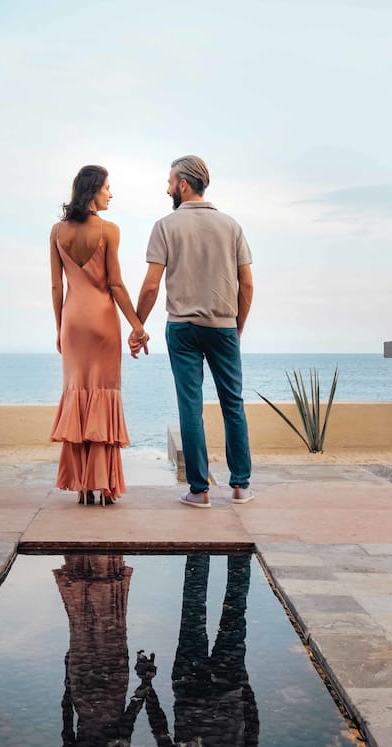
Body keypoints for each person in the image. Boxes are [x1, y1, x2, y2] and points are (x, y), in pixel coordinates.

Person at [131, 155, 255, 508]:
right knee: (233, 404)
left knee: (191, 406)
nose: (167, 187)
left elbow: (151, 287)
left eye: (170, 181)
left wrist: (138, 326)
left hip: (182, 328)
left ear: (183, 184)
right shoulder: (231, 226)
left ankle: (199, 491)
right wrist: (237, 325)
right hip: (223, 326)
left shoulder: (165, 226)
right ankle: (241, 486)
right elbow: (246, 285)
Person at [135, 553, 259, 747]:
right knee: (193, 609)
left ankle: (238, 553)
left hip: (229, 687)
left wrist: (246, 686)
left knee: (235, 610)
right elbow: (161, 731)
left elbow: (253, 726)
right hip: (188, 688)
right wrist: (146, 685)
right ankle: (199, 551)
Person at [50, 165, 149, 505]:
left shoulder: (57, 232)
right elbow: (116, 284)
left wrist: (59, 328)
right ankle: (103, 485)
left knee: (77, 395)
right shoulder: (109, 230)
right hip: (104, 323)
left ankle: (80, 486)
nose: (111, 193)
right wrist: (137, 325)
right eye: (108, 187)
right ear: (93, 191)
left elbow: (56, 285)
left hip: (73, 322)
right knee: (103, 396)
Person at [55, 554, 152, 747]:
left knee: (109, 630)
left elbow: (126, 727)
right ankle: (89, 562)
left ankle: (100, 562)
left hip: (108, 695)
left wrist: (144, 685)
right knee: (84, 632)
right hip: (85, 696)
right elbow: (66, 725)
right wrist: (67, 684)